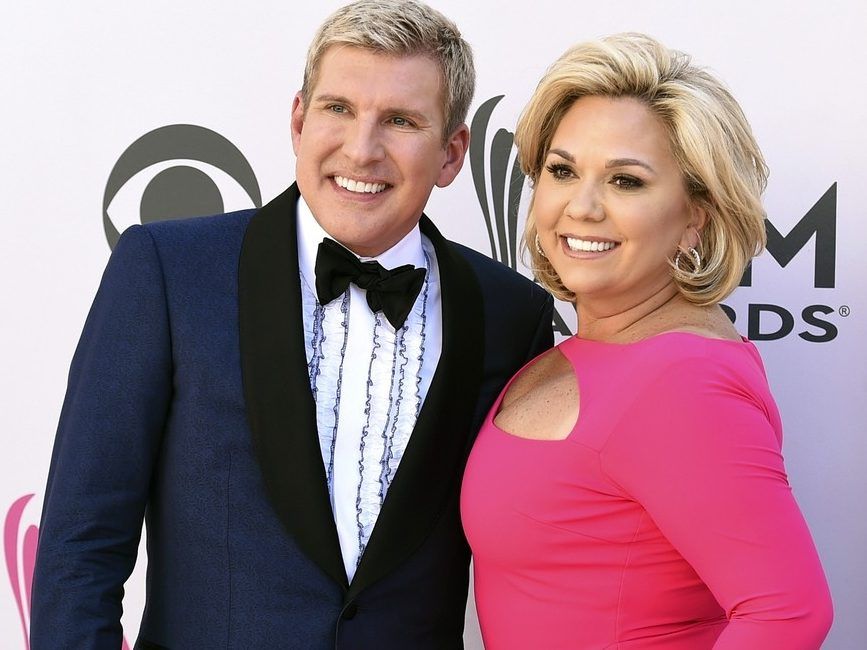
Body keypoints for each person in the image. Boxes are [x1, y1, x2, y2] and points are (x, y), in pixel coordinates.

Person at [30, 2, 554, 648]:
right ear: (299, 120)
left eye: (400, 120)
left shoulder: (511, 314)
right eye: (338, 109)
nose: (361, 150)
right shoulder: (169, 272)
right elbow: (78, 551)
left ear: (451, 154)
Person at [461, 33, 833, 649]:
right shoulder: (583, 352)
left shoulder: (680, 381)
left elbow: (788, 614)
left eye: (626, 182)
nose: (581, 206)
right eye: (562, 171)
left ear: (696, 217)